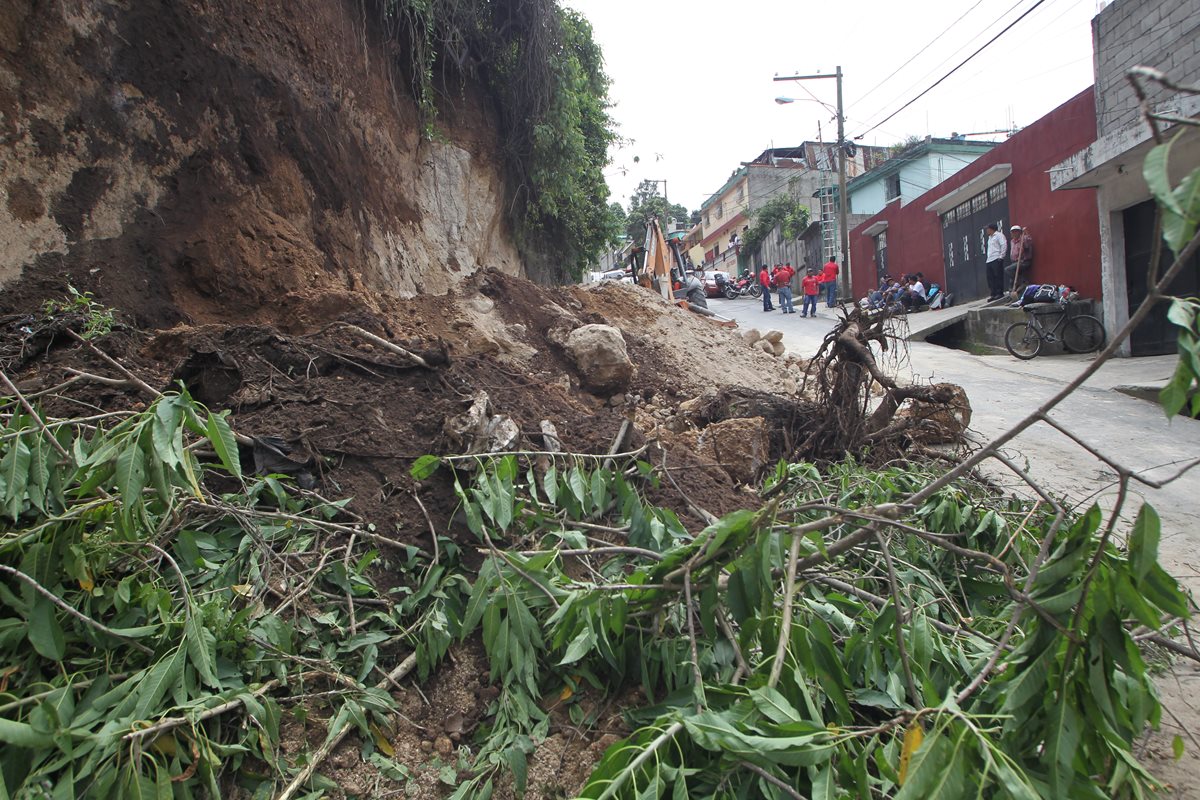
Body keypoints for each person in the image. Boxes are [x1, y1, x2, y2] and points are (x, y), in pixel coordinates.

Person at [1005, 225, 1033, 296]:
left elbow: (1028, 244)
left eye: (1015, 232)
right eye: (1012, 232)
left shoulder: (1023, 238)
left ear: (1019, 232)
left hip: (1023, 261)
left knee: (1008, 269)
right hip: (1015, 262)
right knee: (1011, 281)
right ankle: (1012, 294)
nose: (1013, 234)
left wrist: (1026, 233)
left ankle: (1020, 282)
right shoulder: (1012, 241)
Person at [984, 223, 1008, 301]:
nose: (986, 230)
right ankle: (993, 293)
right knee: (990, 278)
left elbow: (1003, 245)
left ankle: (999, 293)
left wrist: (1001, 256)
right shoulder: (989, 238)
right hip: (989, 260)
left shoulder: (999, 235)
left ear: (991, 229)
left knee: (998, 276)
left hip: (996, 258)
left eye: (987, 229)